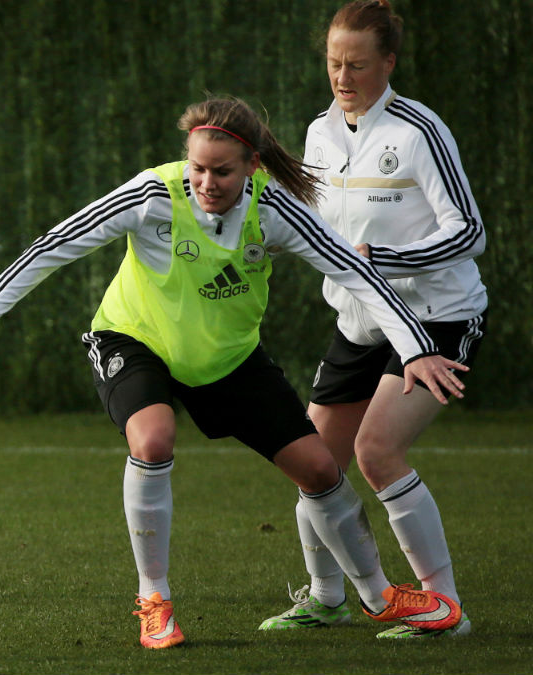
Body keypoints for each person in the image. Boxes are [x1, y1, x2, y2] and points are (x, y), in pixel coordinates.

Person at [0, 95, 466, 649]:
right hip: (135, 340)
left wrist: (415, 348)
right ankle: (154, 600)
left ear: (252, 166)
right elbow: (54, 245)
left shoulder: (274, 208)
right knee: (153, 440)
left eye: (222, 171)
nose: (205, 181)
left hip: (227, 358)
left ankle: (377, 596)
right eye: (198, 167)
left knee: (321, 470)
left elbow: (353, 271)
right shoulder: (153, 193)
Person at [258, 0, 484, 639]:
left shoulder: (419, 130)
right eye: (333, 63)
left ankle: (444, 609)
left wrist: (383, 255)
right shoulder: (319, 133)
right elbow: (309, 223)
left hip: (438, 314)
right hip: (361, 320)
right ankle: (328, 597)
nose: (343, 76)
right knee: (312, 460)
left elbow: (469, 232)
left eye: (357, 64)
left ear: (388, 61)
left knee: (377, 450)